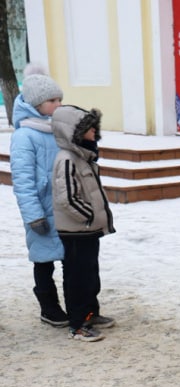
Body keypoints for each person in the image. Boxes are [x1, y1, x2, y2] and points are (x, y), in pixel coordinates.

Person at [51, 105, 116, 341]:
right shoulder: (67, 159)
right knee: (77, 278)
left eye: (93, 127)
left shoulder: (83, 157)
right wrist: (88, 216)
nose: (93, 132)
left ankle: (90, 313)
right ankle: (77, 324)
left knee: (90, 274)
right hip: (76, 230)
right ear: (73, 133)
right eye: (88, 128)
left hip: (88, 229)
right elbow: (66, 197)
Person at [10, 64, 68, 327]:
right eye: (51, 101)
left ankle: (77, 304)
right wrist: (33, 215)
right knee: (44, 262)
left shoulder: (57, 128)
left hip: (66, 208)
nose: (57, 105)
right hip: (42, 211)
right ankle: (49, 306)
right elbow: (22, 181)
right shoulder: (24, 136)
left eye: (59, 100)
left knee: (71, 259)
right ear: (36, 103)